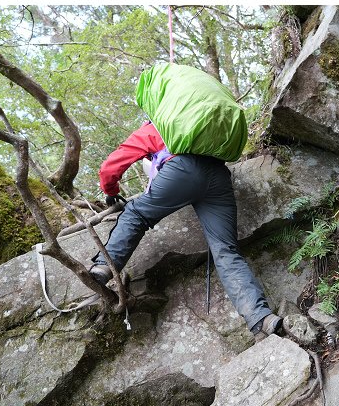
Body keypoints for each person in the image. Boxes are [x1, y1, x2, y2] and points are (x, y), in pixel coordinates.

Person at [89, 121, 282, 341]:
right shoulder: (197, 125)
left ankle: (105, 266)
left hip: (182, 171)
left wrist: (110, 191)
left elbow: (110, 167)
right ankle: (261, 319)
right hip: (218, 176)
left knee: (136, 214)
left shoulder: (158, 125)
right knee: (226, 251)